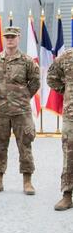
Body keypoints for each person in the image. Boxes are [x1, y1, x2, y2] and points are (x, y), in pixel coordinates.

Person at [0, 27, 40, 195]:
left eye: (13, 37)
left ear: (19, 38)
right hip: (1, 111)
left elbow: (35, 82)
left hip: (21, 112)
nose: (9, 40)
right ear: (4, 39)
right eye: (7, 37)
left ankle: (27, 181)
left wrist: (23, 97)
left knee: (25, 145)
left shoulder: (27, 61)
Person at [47, 49, 73, 211]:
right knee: (69, 154)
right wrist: (68, 92)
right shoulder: (67, 56)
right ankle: (67, 194)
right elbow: (51, 78)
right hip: (71, 115)